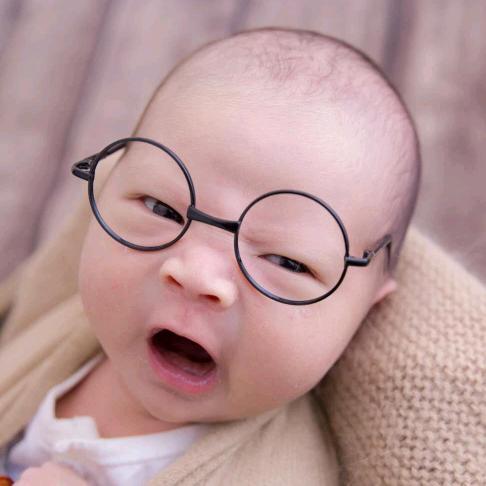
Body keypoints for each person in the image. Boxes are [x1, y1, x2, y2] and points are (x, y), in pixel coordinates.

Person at [1, 26, 420, 485]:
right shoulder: (64, 325)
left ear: (365, 311)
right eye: (161, 209)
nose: (197, 275)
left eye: (285, 261)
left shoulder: (275, 475)